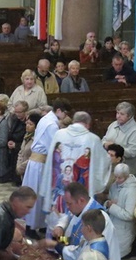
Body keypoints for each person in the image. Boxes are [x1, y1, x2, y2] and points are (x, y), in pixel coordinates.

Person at [40, 111, 108, 226]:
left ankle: (55, 238)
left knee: (57, 218)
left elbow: (50, 162)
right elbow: (102, 162)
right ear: (88, 124)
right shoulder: (92, 139)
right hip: (76, 191)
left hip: (61, 185)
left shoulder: (59, 134)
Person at [21, 99, 72, 233]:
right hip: (40, 163)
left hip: (36, 161)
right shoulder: (52, 125)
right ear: (59, 111)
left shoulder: (46, 118)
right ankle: (31, 227)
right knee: (38, 195)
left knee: (37, 194)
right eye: (65, 113)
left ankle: (38, 225)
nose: (65, 117)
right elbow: (53, 146)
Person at [104, 163, 136, 258]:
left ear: (127, 176)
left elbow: (129, 215)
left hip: (124, 228)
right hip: (112, 224)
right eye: (115, 177)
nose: (117, 180)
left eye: (120, 178)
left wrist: (112, 207)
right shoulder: (113, 186)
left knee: (115, 256)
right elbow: (109, 202)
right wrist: (107, 204)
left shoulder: (132, 191)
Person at [101, 101, 136, 177]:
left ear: (129, 116)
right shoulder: (113, 124)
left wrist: (115, 148)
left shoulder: (134, 131)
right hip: (110, 167)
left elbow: (133, 152)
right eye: (117, 113)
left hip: (127, 171)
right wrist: (104, 144)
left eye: (122, 114)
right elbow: (104, 139)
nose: (118, 116)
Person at [16, 112, 42, 183]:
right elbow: (21, 152)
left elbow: (34, 157)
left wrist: (22, 167)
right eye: (27, 123)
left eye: (31, 124)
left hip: (31, 170)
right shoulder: (27, 136)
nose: (27, 126)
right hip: (22, 170)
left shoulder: (37, 139)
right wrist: (18, 165)